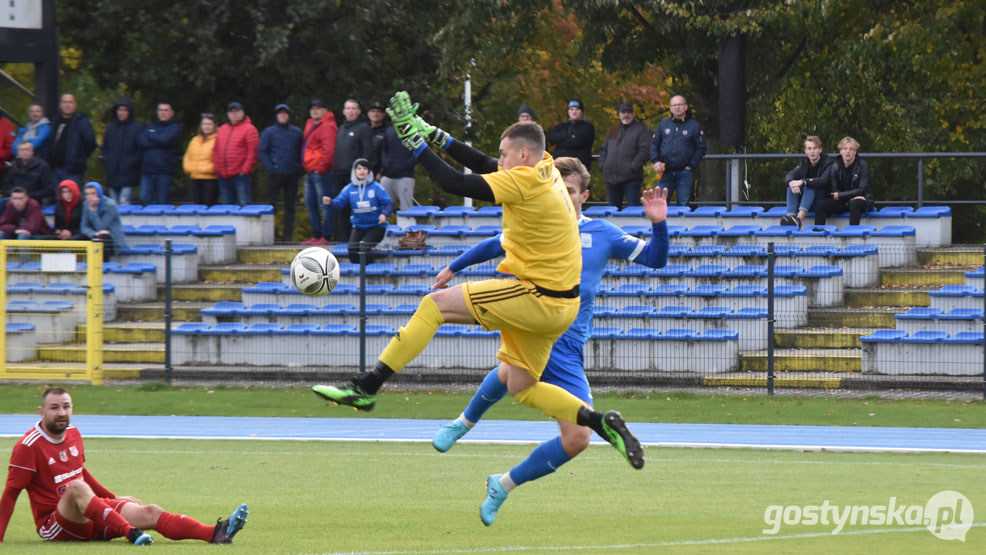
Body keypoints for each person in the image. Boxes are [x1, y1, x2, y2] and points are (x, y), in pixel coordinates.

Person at [313, 91, 644, 474]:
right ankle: (597, 421)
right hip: (561, 309)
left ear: (523, 156)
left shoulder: (524, 183)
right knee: (522, 386)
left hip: (536, 296)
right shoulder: (548, 167)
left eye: (506, 154)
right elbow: (483, 162)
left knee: (433, 306)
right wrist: (437, 136)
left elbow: (453, 182)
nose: (499, 160)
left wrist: (415, 143)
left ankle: (366, 387)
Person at [431, 157, 669, 525]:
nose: (562, 195)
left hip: (569, 344)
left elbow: (656, 259)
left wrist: (659, 223)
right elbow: (495, 244)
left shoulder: (602, 233)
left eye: (570, 190)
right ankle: (463, 423)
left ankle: (502, 483)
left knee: (575, 439)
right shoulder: (537, 222)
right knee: (513, 371)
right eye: (557, 186)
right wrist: (453, 267)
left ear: (584, 195)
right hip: (534, 320)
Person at [0, 387, 248, 545]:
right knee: (75, 487)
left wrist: (112, 498)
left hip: (90, 513)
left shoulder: (73, 433)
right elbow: (11, 495)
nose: (62, 412)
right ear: (41, 412)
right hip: (56, 525)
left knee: (150, 511)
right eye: (55, 408)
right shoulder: (28, 447)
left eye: (66, 406)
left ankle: (216, 533)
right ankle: (131, 533)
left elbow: (81, 472)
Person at [322, 158, 392, 265]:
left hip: (376, 226)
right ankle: (358, 273)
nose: (362, 171)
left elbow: (388, 203)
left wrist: (384, 214)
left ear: (369, 171)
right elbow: (339, 203)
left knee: (364, 247)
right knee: (352, 249)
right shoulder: (349, 188)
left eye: (365, 168)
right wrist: (330, 202)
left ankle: (369, 274)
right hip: (359, 226)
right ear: (354, 171)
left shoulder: (376, 187)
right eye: (359, 168)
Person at [650, 95, 706, 207]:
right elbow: (654, 144)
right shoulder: (663, 125)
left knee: (683, 206)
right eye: (674, 105)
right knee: (660, 205)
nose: (677, 107)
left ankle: (682, 225)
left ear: (685, 107)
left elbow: (701, 148)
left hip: (684, 173)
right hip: (665, 172)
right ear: (670, 108)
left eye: (680, 104)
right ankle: (662, 225)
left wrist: (691, 165)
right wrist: (656, 161)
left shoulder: (694, 126)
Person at [331, 99, 375, 241]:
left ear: (358, 111)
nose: (350, 111)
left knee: (356, 208)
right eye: (348, 108)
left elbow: (368, 152)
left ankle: (355, 239)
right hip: (339, 174)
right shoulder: (341, 128)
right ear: (344, 111)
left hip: (354, 177)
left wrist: (362, 173)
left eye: (353, 108)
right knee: (340, 208)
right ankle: (341, 238)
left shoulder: (363, 128)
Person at [259, 104, 304, 242]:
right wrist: (271, 168)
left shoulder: (296, 132)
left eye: (285, 113)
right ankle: (270, 235)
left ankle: (287, 236)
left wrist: (299, 169)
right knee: (271, 205)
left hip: (292, 174)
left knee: (290, 206)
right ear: (276, 116)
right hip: (275, 174)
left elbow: (302, 152)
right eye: (280, 113)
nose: (283, 116)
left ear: (289, 116)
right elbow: (262, 151)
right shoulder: (269, 132)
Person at [598, 102, 652, 209]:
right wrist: (603, 165)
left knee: (633, 211)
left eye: (629, 112)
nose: (626, 115)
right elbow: (604, 149)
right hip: (611, 178)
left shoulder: (641, 130)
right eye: (623, 112)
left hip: (631, 179)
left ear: (633, 114)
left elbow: (645, 151)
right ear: (619, 114)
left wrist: (632, 167)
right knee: (612, 212)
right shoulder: (613, 130)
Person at [300, 98, 338, 246]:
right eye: (312, 108)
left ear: (325, 111)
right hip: (310, 170)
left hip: (321, 171)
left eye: (318, 108)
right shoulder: (311, 124)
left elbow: (329, 150)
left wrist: (320, 169)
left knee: (324, 204)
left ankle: (326, 236)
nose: (314, 110)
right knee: (310, 204)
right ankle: (316, 235)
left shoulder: (327, 126)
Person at [813, 136, 874, 226]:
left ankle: (853, 236)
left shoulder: (863, 165)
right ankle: (818, 235)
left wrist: (841, 196)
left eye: (851, 149)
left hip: (862, 199)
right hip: (843, 201)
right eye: (845, 149)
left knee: (854, 203)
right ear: (841, 151)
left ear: (855, 151)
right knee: (820, 205)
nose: (848, 151)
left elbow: (862, 190)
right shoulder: (835, 167)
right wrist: (843, 196)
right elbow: (834, 192)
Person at [779, 135, 834, 228]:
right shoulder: (804, 163)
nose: (812, 151)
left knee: (809, 185)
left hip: (823, 200)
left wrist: (804, 182)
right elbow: (789, 175)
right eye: (809, 148)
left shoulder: (828, 162)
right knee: (792, 185)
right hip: (807, 201)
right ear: (806, 151)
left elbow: (823, 181)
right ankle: (791, 217)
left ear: (820, 150)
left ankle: (799, 219)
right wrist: (791, 182)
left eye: (815, 148)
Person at [214, 102, 259, 206]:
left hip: (240, 175)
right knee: (226, 207)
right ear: (228, 114)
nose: (233, 114)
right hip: (223, 175)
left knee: (244, 205)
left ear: (242, 113)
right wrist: (217, 169)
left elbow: (253, 152)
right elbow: (216, 150)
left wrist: (245, 170)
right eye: (231, 111)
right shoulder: (222, 129)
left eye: (236, 111)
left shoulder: (250, 129)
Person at [136, 102, 181, 205]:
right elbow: (141, 141)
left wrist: (152, 136)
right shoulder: (150, 127)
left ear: (171, 113)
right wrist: (158, 141)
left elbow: (165, 140)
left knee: (162, 202)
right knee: (144, 198)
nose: (163, 113)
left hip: (164, 171)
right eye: (160, 110)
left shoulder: (174, 128)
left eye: (166, 110)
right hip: (148, 171)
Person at [102, 98, 145, 205]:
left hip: (129, 173)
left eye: (125, 110)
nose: (121, 113)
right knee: (112, 205)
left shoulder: (137, 128)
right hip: (112, 173)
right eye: (120, 110)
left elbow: (140, 150)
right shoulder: (111, 129)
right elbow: (105, 148)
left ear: (129, 112)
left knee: (124, 203)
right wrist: (108, 162)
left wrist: (132, 163)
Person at [49, 94, 97, 186]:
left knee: (72, 199)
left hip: (73, 171)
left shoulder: (81, 121)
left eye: (70, 102)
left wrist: (79, 157)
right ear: (60, 105)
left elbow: (90, 142)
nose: (67, 105)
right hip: (55, 170)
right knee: (57, 198)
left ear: (75, 105)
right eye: (65, 102)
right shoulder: (55, 120)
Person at [80, 182, 128, 260]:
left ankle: (104, 266)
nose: (90, 196)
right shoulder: (86, 204)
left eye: (93, 193)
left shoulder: (110, 205)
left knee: (101, 239)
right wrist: (94, 233)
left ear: (99, 193)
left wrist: (92, 210)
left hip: (112, 237)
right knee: (77, 239)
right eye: (87, 194)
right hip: (95, 234)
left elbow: (101, 227)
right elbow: (84, 227)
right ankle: (77, 267)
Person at [546, 99, 595, 170]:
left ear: (582, 112)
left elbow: (577, 142)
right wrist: (568, 136)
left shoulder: (587, 127)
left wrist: (560, 140)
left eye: (577, 109)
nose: (574, 112)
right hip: (559, 166)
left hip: (578, 168)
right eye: (571, 109)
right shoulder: (562, 126)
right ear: (568, 112)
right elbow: (550, 137)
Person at [379, 121, 417, 212]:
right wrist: (386, 165)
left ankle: (408, 226)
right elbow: (384, 150)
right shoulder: (389, 130)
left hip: (405, 176)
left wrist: (406, 166)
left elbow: (418, 152)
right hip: (388, 175)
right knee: (380, 207)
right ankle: (381, 226)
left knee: (406, 209)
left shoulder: (413, 130)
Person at [182, 113, 219, 205]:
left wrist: (211, 169)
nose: (206, 127)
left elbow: (219, 158)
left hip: (210, 178)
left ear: (214, 126)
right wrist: (188, 169)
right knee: (196, 205)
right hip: (194, 177)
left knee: (208, 204)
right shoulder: (194, 140)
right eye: (204, 124)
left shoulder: (218, 140)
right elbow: (187, 156)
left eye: (209, 124)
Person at [367, 101, 387, 177]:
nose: (375, 114)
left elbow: (388, 154)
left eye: (378, 112)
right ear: (368, 113)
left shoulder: (387, 132)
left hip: (379, 173)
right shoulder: (363, 130)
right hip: (363, 171)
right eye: (373, 111)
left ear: (383, 114)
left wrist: (381, 171)